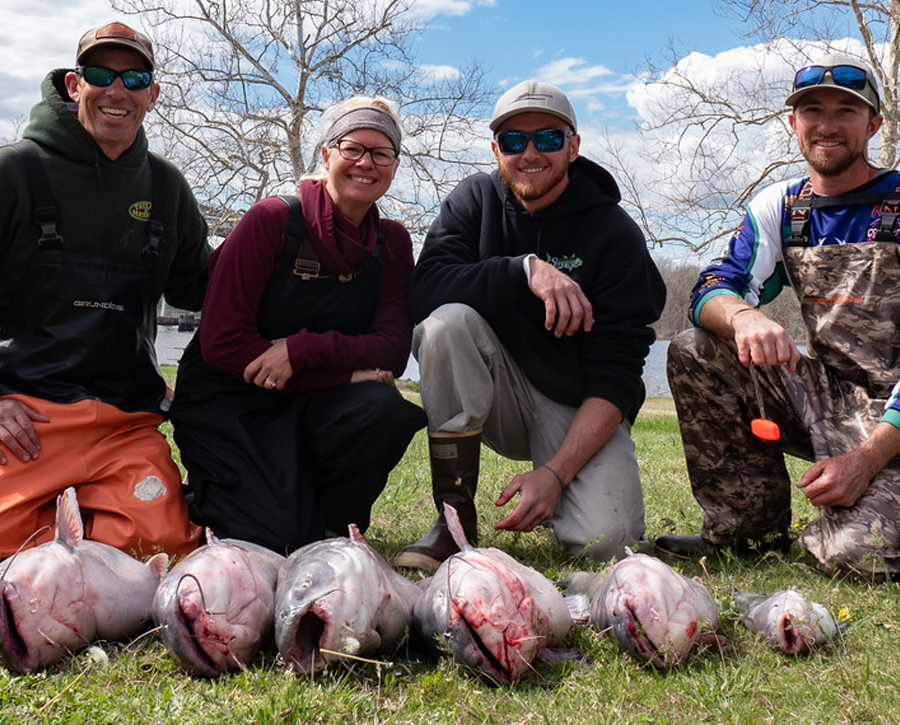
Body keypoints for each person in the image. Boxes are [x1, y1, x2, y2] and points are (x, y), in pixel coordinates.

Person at [395, 80, 666, 572]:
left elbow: (617, 375)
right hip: (494, 393)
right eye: (515, 142)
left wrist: (556, 476)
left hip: (573, 403)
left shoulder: (614, 232)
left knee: (606, 544)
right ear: (497, 149)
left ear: (574, 146)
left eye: (548, 138)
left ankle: (565, 492)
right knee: (445, 324)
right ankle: (452, 520)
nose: (531, 153)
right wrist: (524, 270)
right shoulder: (472, 201)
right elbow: (424, 289)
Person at [657, 53, 900, 580]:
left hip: (894, 410)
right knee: (694, 346)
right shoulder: (782, 208)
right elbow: (712, 287)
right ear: (793, 123)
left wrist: (866, 459)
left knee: (860, 555)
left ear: (874, 124)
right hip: (829, 392)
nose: (827, 125)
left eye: (846, 111)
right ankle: (747, 528)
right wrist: (745, 317)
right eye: (812, 110)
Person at [170, 97, 427, 554]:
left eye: (380, 153)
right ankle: (216, 493)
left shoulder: (392, 242)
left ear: (393, 165)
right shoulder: (271, 220)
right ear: (326, 156)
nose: (365, 163)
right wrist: (343, 373)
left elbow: (390, 348)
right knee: (271, 543)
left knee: (383, 410)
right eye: (352, 148)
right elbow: (223, 344)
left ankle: (330, 522)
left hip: (310, 399)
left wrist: (299, 351)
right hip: (231, 399)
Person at [0, 22, 211, 558]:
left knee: (157, 548)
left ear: (153, 95)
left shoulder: (167, 188)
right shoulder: (12, 172)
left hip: (126, 424)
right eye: (100, 74)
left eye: (135, 77)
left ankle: (80, 525)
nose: (117, 91)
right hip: (27, 417)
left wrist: (289, 240)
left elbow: (208, 288)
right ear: (75, 86)